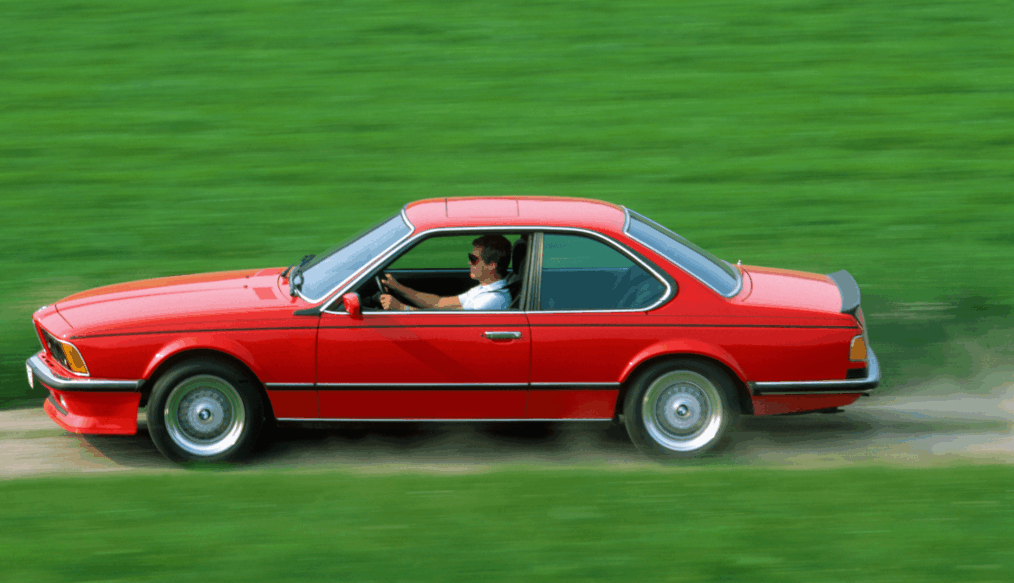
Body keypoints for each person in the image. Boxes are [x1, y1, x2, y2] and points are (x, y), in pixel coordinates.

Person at [380, 234, 512, 311]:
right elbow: (438, 302)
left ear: (491, 266)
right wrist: (397, 287)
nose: (469, 263)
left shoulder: (491, 300)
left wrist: (402, 308)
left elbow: (444, 324)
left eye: (474, 259)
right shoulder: (483, 289)